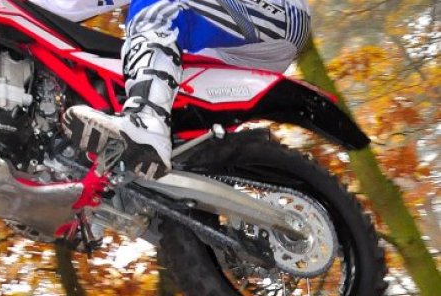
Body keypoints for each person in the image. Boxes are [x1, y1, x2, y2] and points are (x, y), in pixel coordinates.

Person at [28, 0, 311, 179]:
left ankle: (148, 121)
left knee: (153, 10)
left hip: (275, 10)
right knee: (129, 70)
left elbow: (71, 6)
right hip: (222, 40)